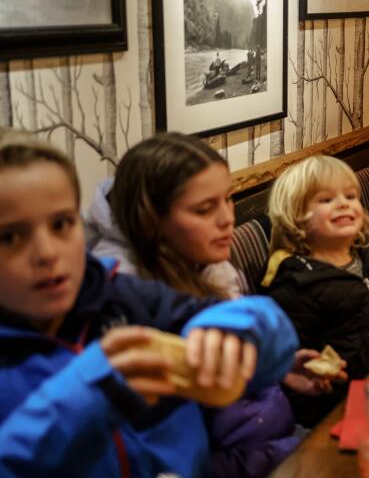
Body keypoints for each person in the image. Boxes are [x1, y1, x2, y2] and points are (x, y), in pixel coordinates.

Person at [0, 129, 298, 477]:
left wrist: (242, 328)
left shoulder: (117, 295)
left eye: (62, 224)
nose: (48, 253)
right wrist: (79, 400)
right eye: (9, 236)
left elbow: (272, 336)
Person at [86, 133, 342, 477]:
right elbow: (180, 457)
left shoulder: (205, 259)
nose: (227, 219)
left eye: (229, 199)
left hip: (271, 439)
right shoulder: (125, 303)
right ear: (151, 220)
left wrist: (277, 370)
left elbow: (220, 366)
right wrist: (295, 452)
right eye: (205, 209)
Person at [260, 155, 369, 425]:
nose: (344, 203)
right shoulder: (296, 285)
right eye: (326, 200)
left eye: (351, 196)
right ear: (297, 217)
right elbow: (295, 374)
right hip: (342, 408)